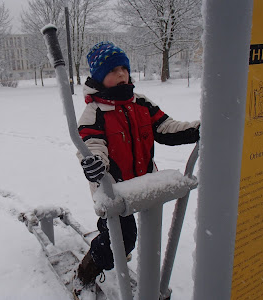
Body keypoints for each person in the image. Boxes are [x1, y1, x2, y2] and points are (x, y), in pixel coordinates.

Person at [73, 41, 200, 297]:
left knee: (138, 233)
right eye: (112, 70)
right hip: (114, 189)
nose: (121, 74)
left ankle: (119, 247)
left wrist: (196, 129)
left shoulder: (141, 102)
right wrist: (96, 162)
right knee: (120, 240)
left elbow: (165, 127)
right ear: (99, 76)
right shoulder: (95, 111)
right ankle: (86, 271)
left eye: (124, 68)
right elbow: (92, 143)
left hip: (145, 182)